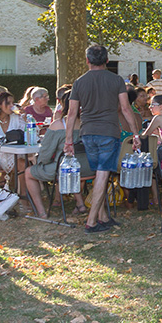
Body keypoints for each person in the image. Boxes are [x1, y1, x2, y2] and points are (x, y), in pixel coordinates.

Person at [64, 44, 141, 233]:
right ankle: (91, 222)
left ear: (88, 61)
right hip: (108, 132)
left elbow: (72, 113)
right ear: (107, 60)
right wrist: (135, 133)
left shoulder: (79, 82)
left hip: (87, 132)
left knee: (100, 174)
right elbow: (125, 109)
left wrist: (68, 141)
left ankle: (103, 217)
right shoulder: (116, 81)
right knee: (103, 174)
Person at [24, 90, 92, 222]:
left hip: (65, 169)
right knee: (72, 164)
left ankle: (41, 212)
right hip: (88, 168)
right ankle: (80, 204)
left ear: (63, 104)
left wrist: (38, 161)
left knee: (28, 172)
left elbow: (46, 153)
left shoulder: (58, 125)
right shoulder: (88, 123)